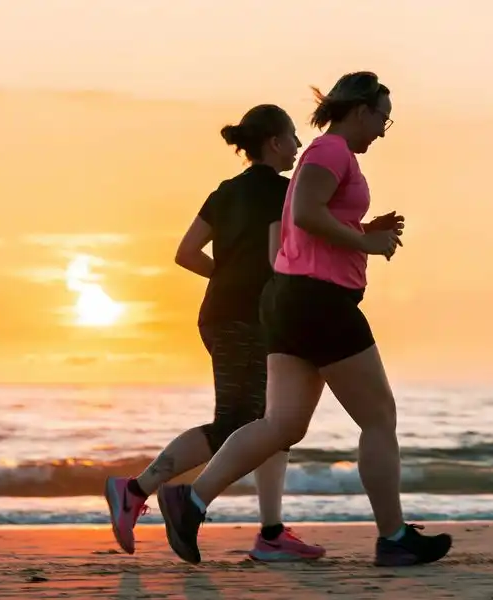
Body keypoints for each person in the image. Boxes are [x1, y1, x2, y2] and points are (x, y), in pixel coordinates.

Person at [156, 72, 453, 567]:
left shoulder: (321, 155)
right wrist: (366, 242)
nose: (383, 128)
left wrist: (360, 226)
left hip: (291, 301)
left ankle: (190, 501)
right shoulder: (331, 152)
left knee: (281, 425)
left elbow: (309, 226)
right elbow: (308, 216)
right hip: (321, 303)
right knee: (379, 418)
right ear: (360, 110)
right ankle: (394, 536)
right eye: (383, 116)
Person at [104, 104, 325, 562]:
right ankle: (136, 489)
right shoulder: (282, 193)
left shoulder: (224, 192)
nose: (299, 146)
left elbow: (186, 253)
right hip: (248, 317)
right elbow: (273, 260)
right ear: (275, 142)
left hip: (222, 312)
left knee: (272, 421)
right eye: (293, 138)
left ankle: (271, 532)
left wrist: (224, 278)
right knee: (237, 421)